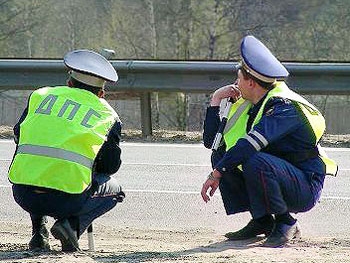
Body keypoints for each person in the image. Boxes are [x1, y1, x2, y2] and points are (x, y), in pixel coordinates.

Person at [201, 35, 338, 247]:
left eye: (238, 79)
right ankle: (262, 220)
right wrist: (216, 100)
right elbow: (213, 143)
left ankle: (286, 222)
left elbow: (249, 145)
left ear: (251, 82)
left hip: (304, 184)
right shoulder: (251, 103)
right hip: (282, 173)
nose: (235, 84)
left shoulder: (285, 108)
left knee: (253, 160)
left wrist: (216, 174)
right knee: (222, 156)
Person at [8, 49, 125, 252]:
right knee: (115, 191)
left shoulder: (40, 96)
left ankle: (39, 233)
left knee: (38, 166)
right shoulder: (108, 115)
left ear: (69, 83)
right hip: (68, 199)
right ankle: (71, 226)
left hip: (23, 193)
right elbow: (110, 166)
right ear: (101, 93)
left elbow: (18, 135)